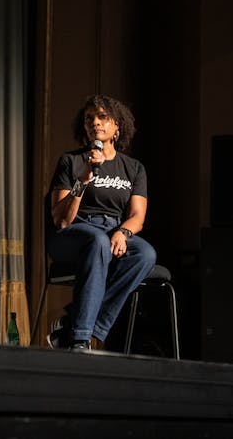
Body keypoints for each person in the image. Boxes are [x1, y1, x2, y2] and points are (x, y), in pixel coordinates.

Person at [46, 94, 157, 352]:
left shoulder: (133, 168)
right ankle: (80, 340)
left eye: (102, 117)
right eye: (89, 119)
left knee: (145, 254)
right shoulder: (71, 162)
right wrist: (83, 179)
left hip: (113, 230)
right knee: (96, 242)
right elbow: (61, 219)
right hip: (74, 233)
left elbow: (138, 215)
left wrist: (123, 232)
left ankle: (74, 323)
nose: (95, 123)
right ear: (85, 127)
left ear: (117, 126)